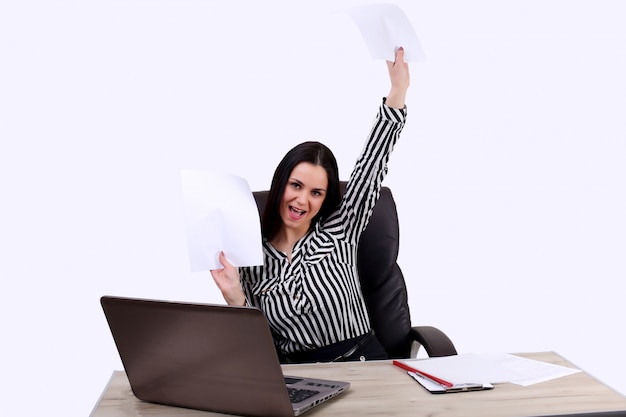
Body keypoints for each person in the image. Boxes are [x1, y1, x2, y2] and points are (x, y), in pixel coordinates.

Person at [211, 47, 410, 363]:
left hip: (363, 363)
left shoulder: (341, 228)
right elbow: (257, 351)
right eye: (296, 186)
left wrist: (397, 90)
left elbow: (371, 165)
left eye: (316, 192)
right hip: (300, 375)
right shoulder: (248, 256)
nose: (302, 199)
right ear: (281, 185)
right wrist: (235, 298)